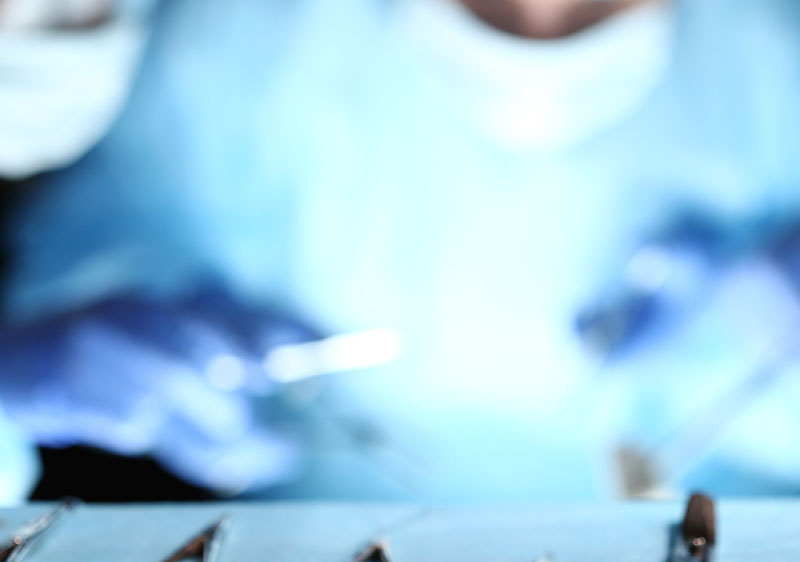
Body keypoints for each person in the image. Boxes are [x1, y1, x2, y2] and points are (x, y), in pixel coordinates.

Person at [2, 0, 800, 503]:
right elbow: (98, 260)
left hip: (730, 546)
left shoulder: (774, 43)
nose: (539, 13)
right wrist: (127, 354)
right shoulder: (248, 39)